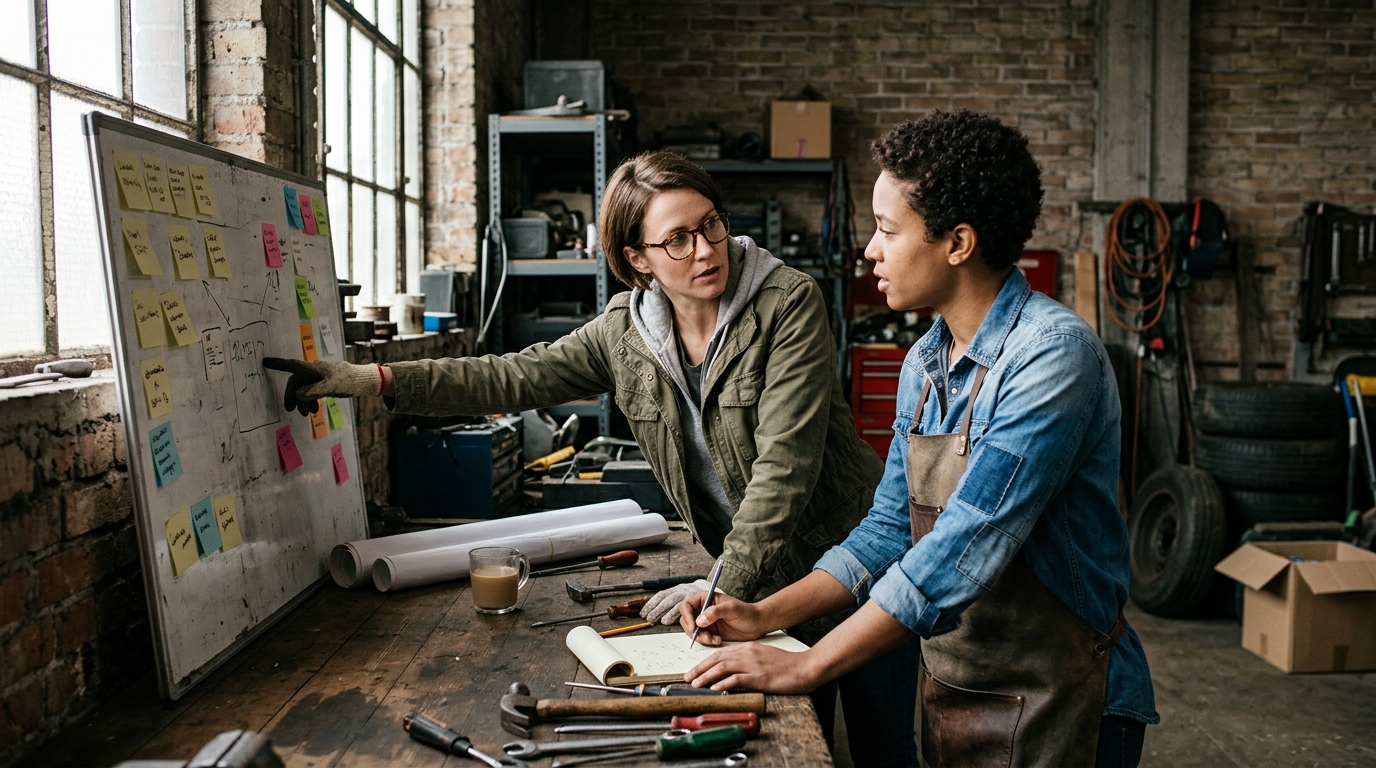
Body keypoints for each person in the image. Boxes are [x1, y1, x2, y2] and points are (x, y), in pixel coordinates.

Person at [263, 151, 920, 765]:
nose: (705, 250)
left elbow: (784, 468)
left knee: (882, 745)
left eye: (711, 225)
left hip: (853, 566)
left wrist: (722, 584)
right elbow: (511, 377)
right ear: (637, 258)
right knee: (794, 743)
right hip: (759, 586)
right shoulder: (623, 334)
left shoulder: (787, 304)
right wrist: (373, 379)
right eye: (677, 239)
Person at [677, 111, 1159, 767]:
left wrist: (810, 664)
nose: (869, 251)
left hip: (1065, 700)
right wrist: (766, 614)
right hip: (958, 693)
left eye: (886, 229)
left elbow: (965, 545)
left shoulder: (1052, 357)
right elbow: (888, 531)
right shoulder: (925, 363)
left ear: (957, 243)